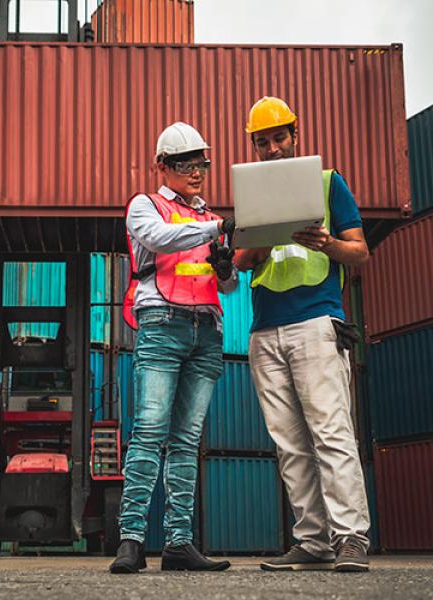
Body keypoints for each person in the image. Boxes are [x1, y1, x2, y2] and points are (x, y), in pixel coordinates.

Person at [236, 97, 371, 572]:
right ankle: (312, 540)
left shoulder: (328, 183)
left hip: (316, 321)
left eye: (278, 138)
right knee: (290, 443)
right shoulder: (249, 193)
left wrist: (328, 243)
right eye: (262, 141)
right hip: (265, 329)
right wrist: (265, 236)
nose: (272, 148)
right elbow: (241, 262)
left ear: (296, 134)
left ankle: (350, 536)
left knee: (331, 432)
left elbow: (359, 252)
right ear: (253, 145)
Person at [109, 122, 237, 574]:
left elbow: (230, 285)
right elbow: (161, 239)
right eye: (185, 164)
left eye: (201, 162)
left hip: (207, 330)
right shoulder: (145, 206)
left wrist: (225, 267)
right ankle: (131, 541)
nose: (196, 172)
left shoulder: (208, 217)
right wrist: (217, 229)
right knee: (149, 432)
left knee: (186, 441)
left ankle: (179, 544)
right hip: (161, 324)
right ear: (162, 166)